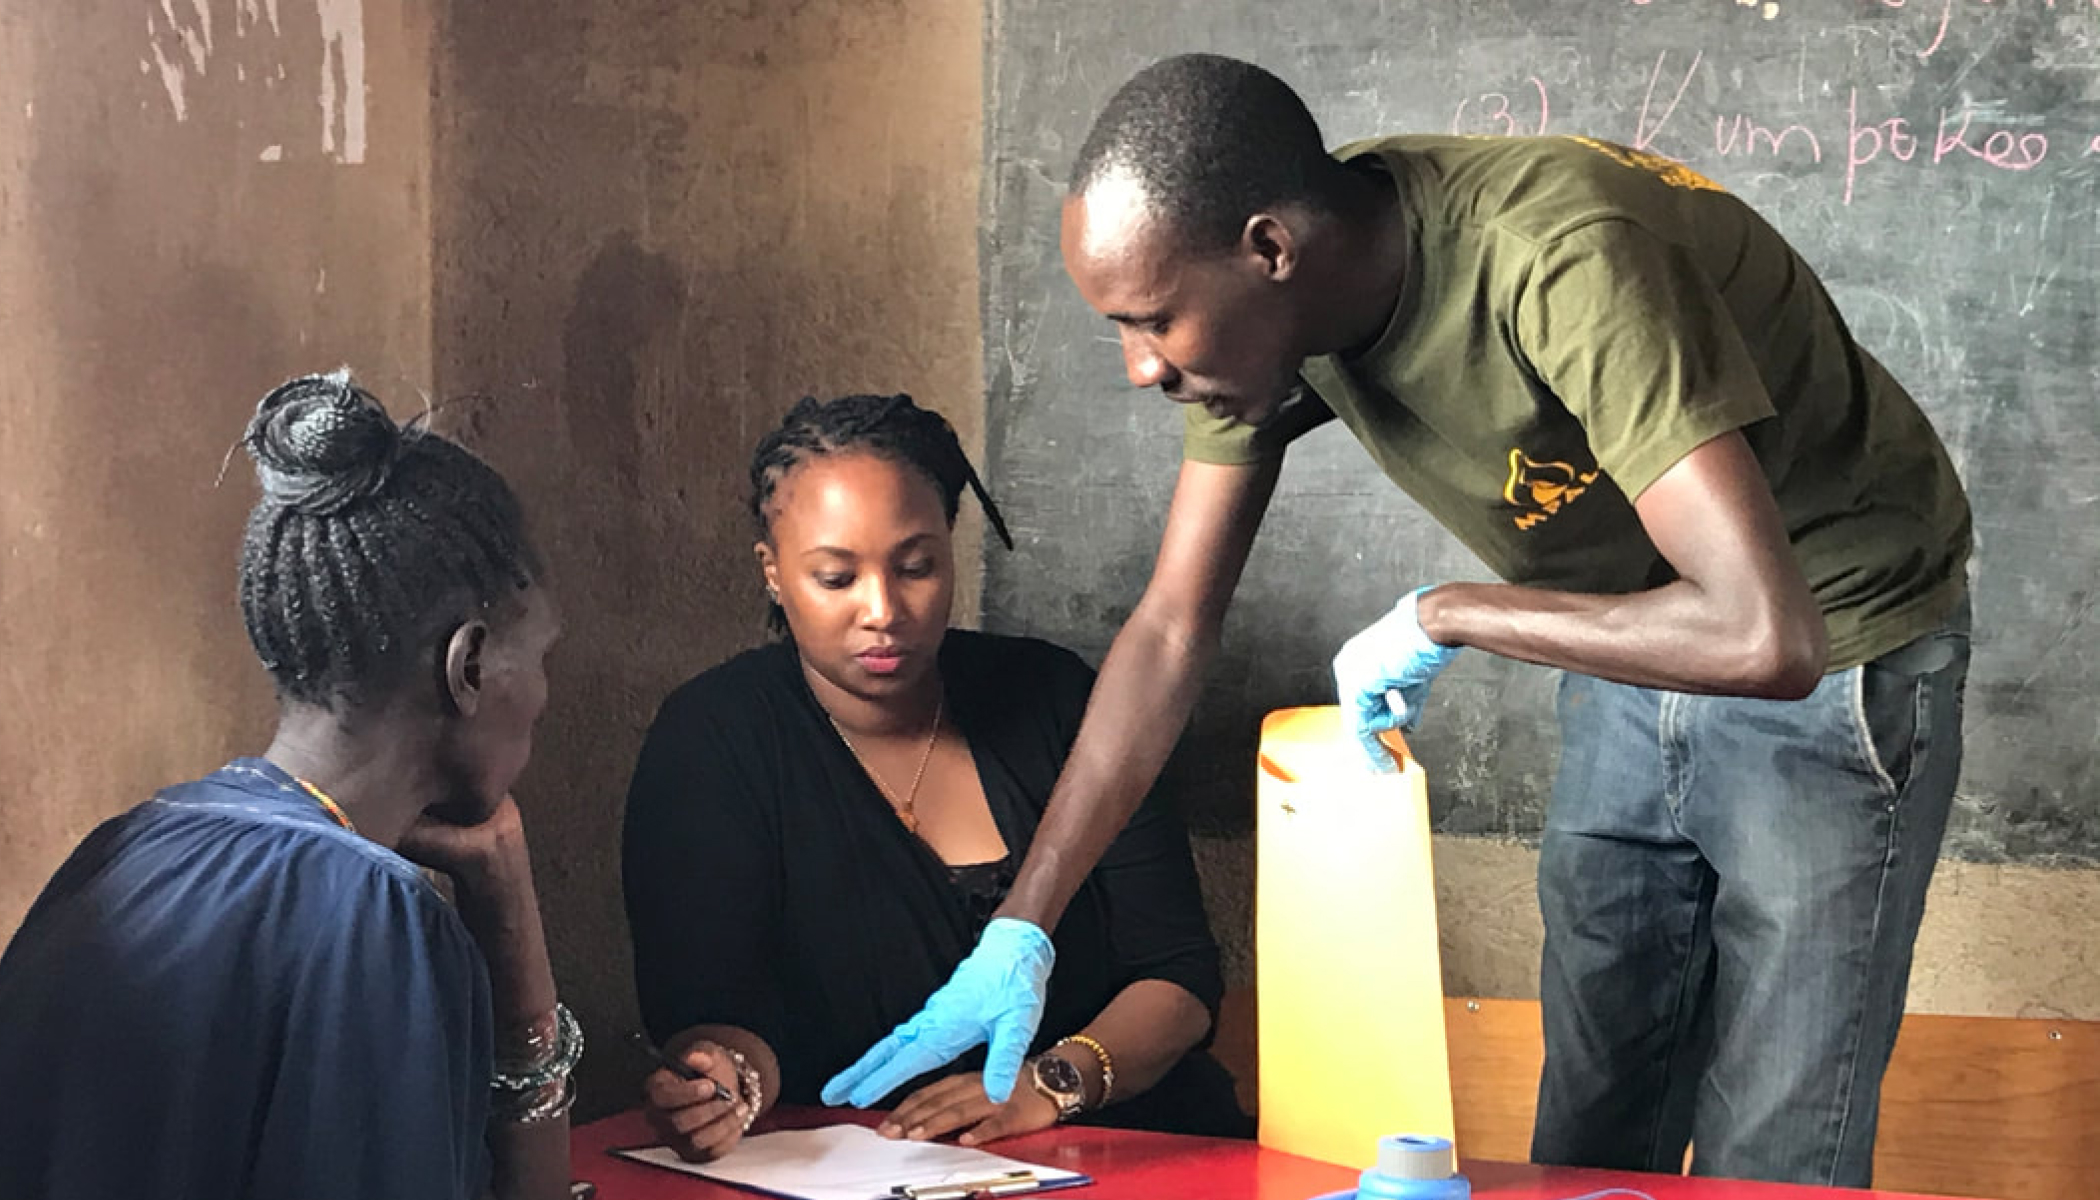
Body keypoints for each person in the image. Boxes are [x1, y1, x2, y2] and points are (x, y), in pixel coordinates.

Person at [825, 54, 1974, 1189]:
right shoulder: (1271, 314)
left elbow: (1765, 639)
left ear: (1270, 250)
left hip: (1834, 632)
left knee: (1773, 1146)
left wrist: (1448, 612)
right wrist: (1021, 930)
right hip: (1640, 629)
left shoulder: (1558, 260)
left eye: (1154, 319)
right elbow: (1171, 628)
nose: (1140, 366)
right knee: (1593, 1119)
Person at [622, 392, 1249, 1162]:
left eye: (915, 566)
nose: (883, 609)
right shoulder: (714, 740)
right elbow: (722, 1017)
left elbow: (1179, 977)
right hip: (869, 1169)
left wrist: (1054, 1083)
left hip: (1131, 1149)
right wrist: (728, 1082)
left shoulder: (1058, 701)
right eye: (836, 577)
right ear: (774, 573)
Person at [0, 372, 574, 1200]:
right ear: (471, 666)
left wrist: (502, 886)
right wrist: (519, 965)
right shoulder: (374, 922)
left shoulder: (127, 847)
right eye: (542, 656)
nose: (546, 697)